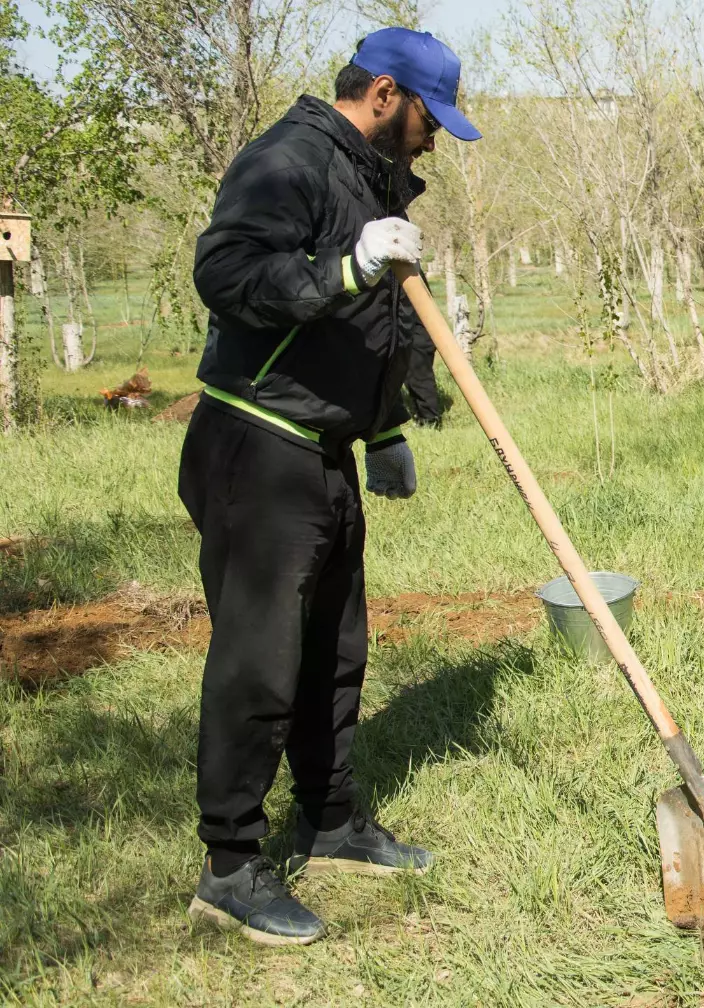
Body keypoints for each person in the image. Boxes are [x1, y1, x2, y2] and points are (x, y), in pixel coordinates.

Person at [179, 27, 481, 945]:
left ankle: (331, 821)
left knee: (336, 651)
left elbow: (369, 326)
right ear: (386, 94)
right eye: (431, 117)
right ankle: (230, 866)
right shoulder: (290, 160)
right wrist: (341, 267)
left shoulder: (371, 177)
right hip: (258, 444)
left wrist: (387, 427)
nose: (436, 139)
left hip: (326, 449)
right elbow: (224, 272)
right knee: (259, 663)